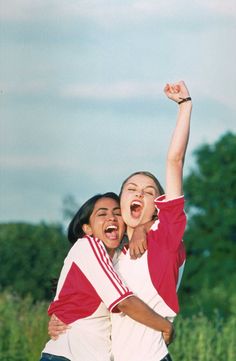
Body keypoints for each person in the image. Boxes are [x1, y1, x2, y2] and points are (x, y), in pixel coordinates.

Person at [48, 80, 192, 361]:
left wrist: (185, 106)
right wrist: (57, 318)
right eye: (131, 189)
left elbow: (175, 161)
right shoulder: (113, 254)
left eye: (149, 192)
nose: (139, 193)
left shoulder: (166, 236)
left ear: (158, 207)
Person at [39, 192, 174, 361]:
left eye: (117, 213)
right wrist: (166, 326)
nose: (111, 218)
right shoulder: (88, 245)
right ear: (87, 228)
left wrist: (142, 227)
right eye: (102, 214)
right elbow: (125, 302)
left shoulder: (118, 258)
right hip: (68, 356)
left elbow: (167, 222)